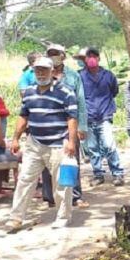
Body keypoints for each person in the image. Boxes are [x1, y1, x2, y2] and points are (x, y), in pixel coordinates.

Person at [5, 57, 79, 231]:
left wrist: (71, 142)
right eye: (37, 70)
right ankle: (16, 217)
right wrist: (15, 138)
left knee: (61, 183)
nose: (40, 73)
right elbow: (23, 116)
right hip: (35, 143)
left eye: (44, 70)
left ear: (52, 71)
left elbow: (72, 118)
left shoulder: (65, 92)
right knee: (25, 179)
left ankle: (63, 216)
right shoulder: (29, 92)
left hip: (58, 143)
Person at [43, 43, 89, 209]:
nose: (53, 57)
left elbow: (81, 101)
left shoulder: (73, 76)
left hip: (70, 122)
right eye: (50, 54)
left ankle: (75, 195)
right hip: (48, 124)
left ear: (63, 56)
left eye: (56, 53)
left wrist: (82, 126)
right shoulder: (42, 75)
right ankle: (50, 197)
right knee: (47, 160)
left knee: (71, 159)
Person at [80, 47, 125, 187]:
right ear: (85, 59)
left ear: (99, 58)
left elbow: (114, 91)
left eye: (94, 56)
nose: (92, 59)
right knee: (92, 148)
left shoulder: (108, 75)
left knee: (108, 145)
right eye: (89, 56)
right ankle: (98, 174)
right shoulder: (80, 76)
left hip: (105, 116)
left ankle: (117, 173)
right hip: (88, 117)